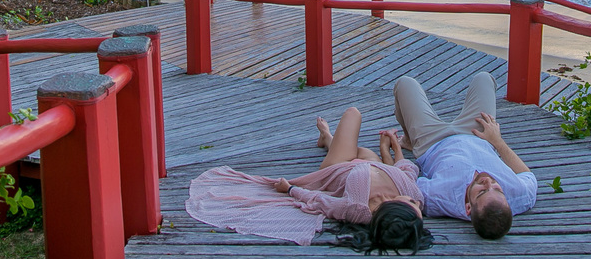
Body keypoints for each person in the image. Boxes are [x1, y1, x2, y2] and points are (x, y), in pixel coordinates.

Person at [186, 106, 435, 253]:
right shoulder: (414, 192)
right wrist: (393, 147)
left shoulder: (358, 210)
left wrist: (290, 188)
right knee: (364, 151)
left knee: (353, 114)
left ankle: (328, 137)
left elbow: (318, 200)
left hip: (337, 169)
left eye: (412, 206)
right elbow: (406, 168)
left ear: (393, 208)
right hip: (370, 162)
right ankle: (330, 141)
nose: (417, 202)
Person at [392, 71, 536, 239]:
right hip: (478, 135)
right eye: (498, 190)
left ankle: (409, 141)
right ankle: (411, 139)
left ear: (468, 208)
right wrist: (498, 141)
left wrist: (395, 150)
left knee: (405, 83)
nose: (488, 181)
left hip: (432, 142)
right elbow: (527, 174)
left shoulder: (438, 198)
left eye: (482, 191)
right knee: (484, 78)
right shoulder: (521, 195)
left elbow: (405, 180)